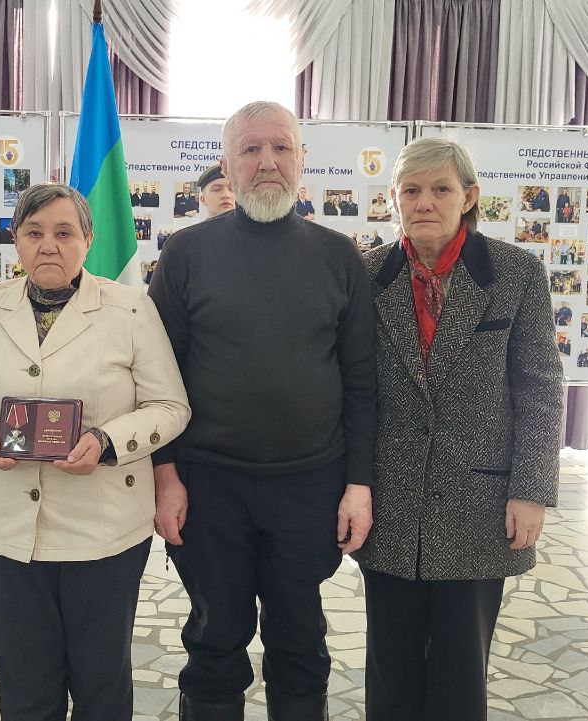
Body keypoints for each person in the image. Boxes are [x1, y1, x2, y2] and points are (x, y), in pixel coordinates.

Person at [0, 184, 191, 721]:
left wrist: (108, 443)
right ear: (16, 241)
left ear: (88, 241)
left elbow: (170, 406)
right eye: (34, 232)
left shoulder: (130, 309)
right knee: (25, 688)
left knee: (101, 685)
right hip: (9, 529)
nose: (49, 244)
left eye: (64, 232)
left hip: (105, 530)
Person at [148, 101, 375, 720]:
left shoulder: (340, 257)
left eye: (281, 148)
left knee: (300, 638)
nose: (268, 161)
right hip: (208, 485)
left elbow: (362, 382)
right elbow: (157, 379)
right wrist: (165, 475)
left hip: (310, 484)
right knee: (215, 637)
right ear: (228, 165)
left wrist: (358, 484)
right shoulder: (186, 254)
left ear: (303, 159)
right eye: (251, 149)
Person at [360, 138, 562, 721]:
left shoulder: (516, 274)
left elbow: (541, 388)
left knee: (460, 672)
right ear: (393, 198)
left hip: (479, 502)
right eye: (411, 190)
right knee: (390, 670)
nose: (424, 202)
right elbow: (352, 389)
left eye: (440, 189)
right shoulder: (367, 275)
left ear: (469, 197)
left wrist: (531, 491)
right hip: (391, 502)